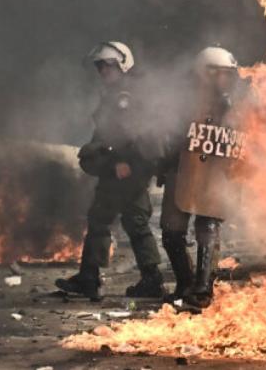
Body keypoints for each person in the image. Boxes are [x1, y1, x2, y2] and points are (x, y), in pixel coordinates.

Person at [55, 41, 165, 301]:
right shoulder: (118, 94)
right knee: (121, 220)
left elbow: (138, 135)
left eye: (108, 66)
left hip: (126, 169)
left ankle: (96, 279)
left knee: (114, 220)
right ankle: (144, 279)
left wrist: (124, 162)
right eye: (100, 67)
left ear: (123, 65)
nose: (103, 72)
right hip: (123, 169)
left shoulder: (127, 97)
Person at [160, 46, 251, 309]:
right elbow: (170, 136)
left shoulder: (236, 108)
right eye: (218, 74)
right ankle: (185, 283)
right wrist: (164, 165)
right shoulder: (185, 104)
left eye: (227, 75)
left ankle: (202, 288)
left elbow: (243, 143)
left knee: (207, 226)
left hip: (214, 175)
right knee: (171, 231)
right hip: (183, 173)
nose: (224, 80)